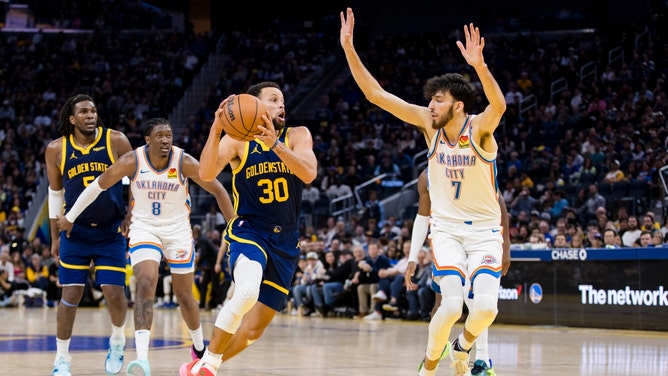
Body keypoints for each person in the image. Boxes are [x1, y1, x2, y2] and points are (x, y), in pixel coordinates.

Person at [341, 9, 507, 375]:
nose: (430, 105)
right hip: (446, 229)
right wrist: (349, 48)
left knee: (486, 310)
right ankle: (429, 366)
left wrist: (479, 67)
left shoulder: (479, 130)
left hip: (484, 232)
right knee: (449, 307)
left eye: (438, 99)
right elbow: (376, 94)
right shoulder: (428, 126)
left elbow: (499, 105)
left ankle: (462, 348)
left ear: (458, 105)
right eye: (430, 99)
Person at [56, 118, 234, 375]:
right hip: (144, 228)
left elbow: (219, 190)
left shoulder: (184, 161)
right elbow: (96, 186)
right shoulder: (132, 160)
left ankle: (198, 348)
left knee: (185, 296)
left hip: (177, 231)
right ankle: (142, 358)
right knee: (146, 281)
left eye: (169, 135)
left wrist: (233, 228)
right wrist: (70, 216)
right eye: (160, 135)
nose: (165, 140)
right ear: (148, 140)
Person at [180, 81, 317, 376]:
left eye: (282, 99)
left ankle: (200, 365)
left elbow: (308, 173)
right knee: (245, 292)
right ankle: (210, 364)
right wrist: (216, 130)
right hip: (251, 230)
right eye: (272, 99)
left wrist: (275, 146)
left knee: (253, 330)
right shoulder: (238, 141)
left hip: (287, 241)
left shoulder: (297, 135)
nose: (281, 104)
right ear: (253, 107)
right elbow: (205, 173)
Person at [45, 94, 132, 376]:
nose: (90, 115)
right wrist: (55, 238)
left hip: (110, 232)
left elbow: (134, 179)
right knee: (70, 295)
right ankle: (61, 360)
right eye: (83, 111)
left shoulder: (116, 140)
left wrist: (131, 215)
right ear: (72, 119)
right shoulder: (56, 149)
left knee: (114, 293)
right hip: (76, 232)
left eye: (93, 110)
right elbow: (55, 192)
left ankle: (117, 342)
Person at [407, 168, 511, 375]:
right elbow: (422, 216)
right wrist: (412, 256)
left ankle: (481, 359)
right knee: (445, 304)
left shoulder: (474, 165)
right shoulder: (426, 177)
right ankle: (435, 350)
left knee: (479, 303)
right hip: (446, 239)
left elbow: (499, 203)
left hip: (478, 237)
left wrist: (506, 245)